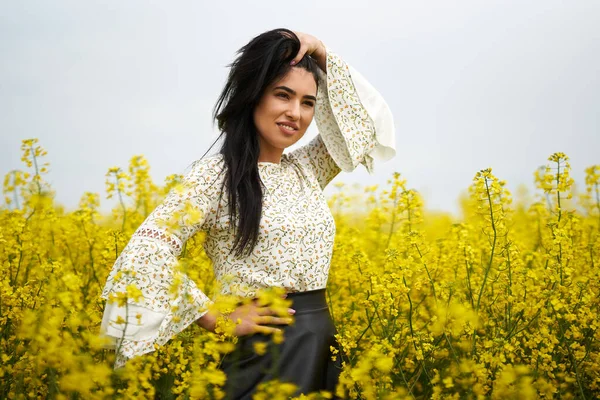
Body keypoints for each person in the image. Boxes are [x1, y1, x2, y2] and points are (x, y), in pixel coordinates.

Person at [99, 28, 396, 398]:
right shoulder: (214, 177)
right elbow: (145, 252)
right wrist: (214, 318)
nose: (295, 113)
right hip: (263, 354)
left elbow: (367, 124)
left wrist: (322, 54)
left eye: (308, 102)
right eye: (282, 95)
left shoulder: (307, 168)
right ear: (253, 95)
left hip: (321, 345)